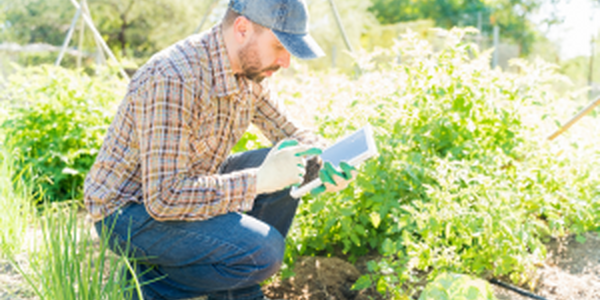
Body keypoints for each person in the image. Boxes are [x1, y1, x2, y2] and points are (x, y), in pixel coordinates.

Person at [84, 0, 356, 299]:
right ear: (242, 29)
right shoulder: (174, 77)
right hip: (130, 213)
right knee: (264, 252)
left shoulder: (249, 74)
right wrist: (259, 181)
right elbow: (163, 197)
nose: (286, 61)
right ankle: (144, 288)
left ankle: (235, 289)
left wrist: (326, 160)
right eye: (279, 46)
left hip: (188, 185)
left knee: (294, 162)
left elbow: (293, 133)